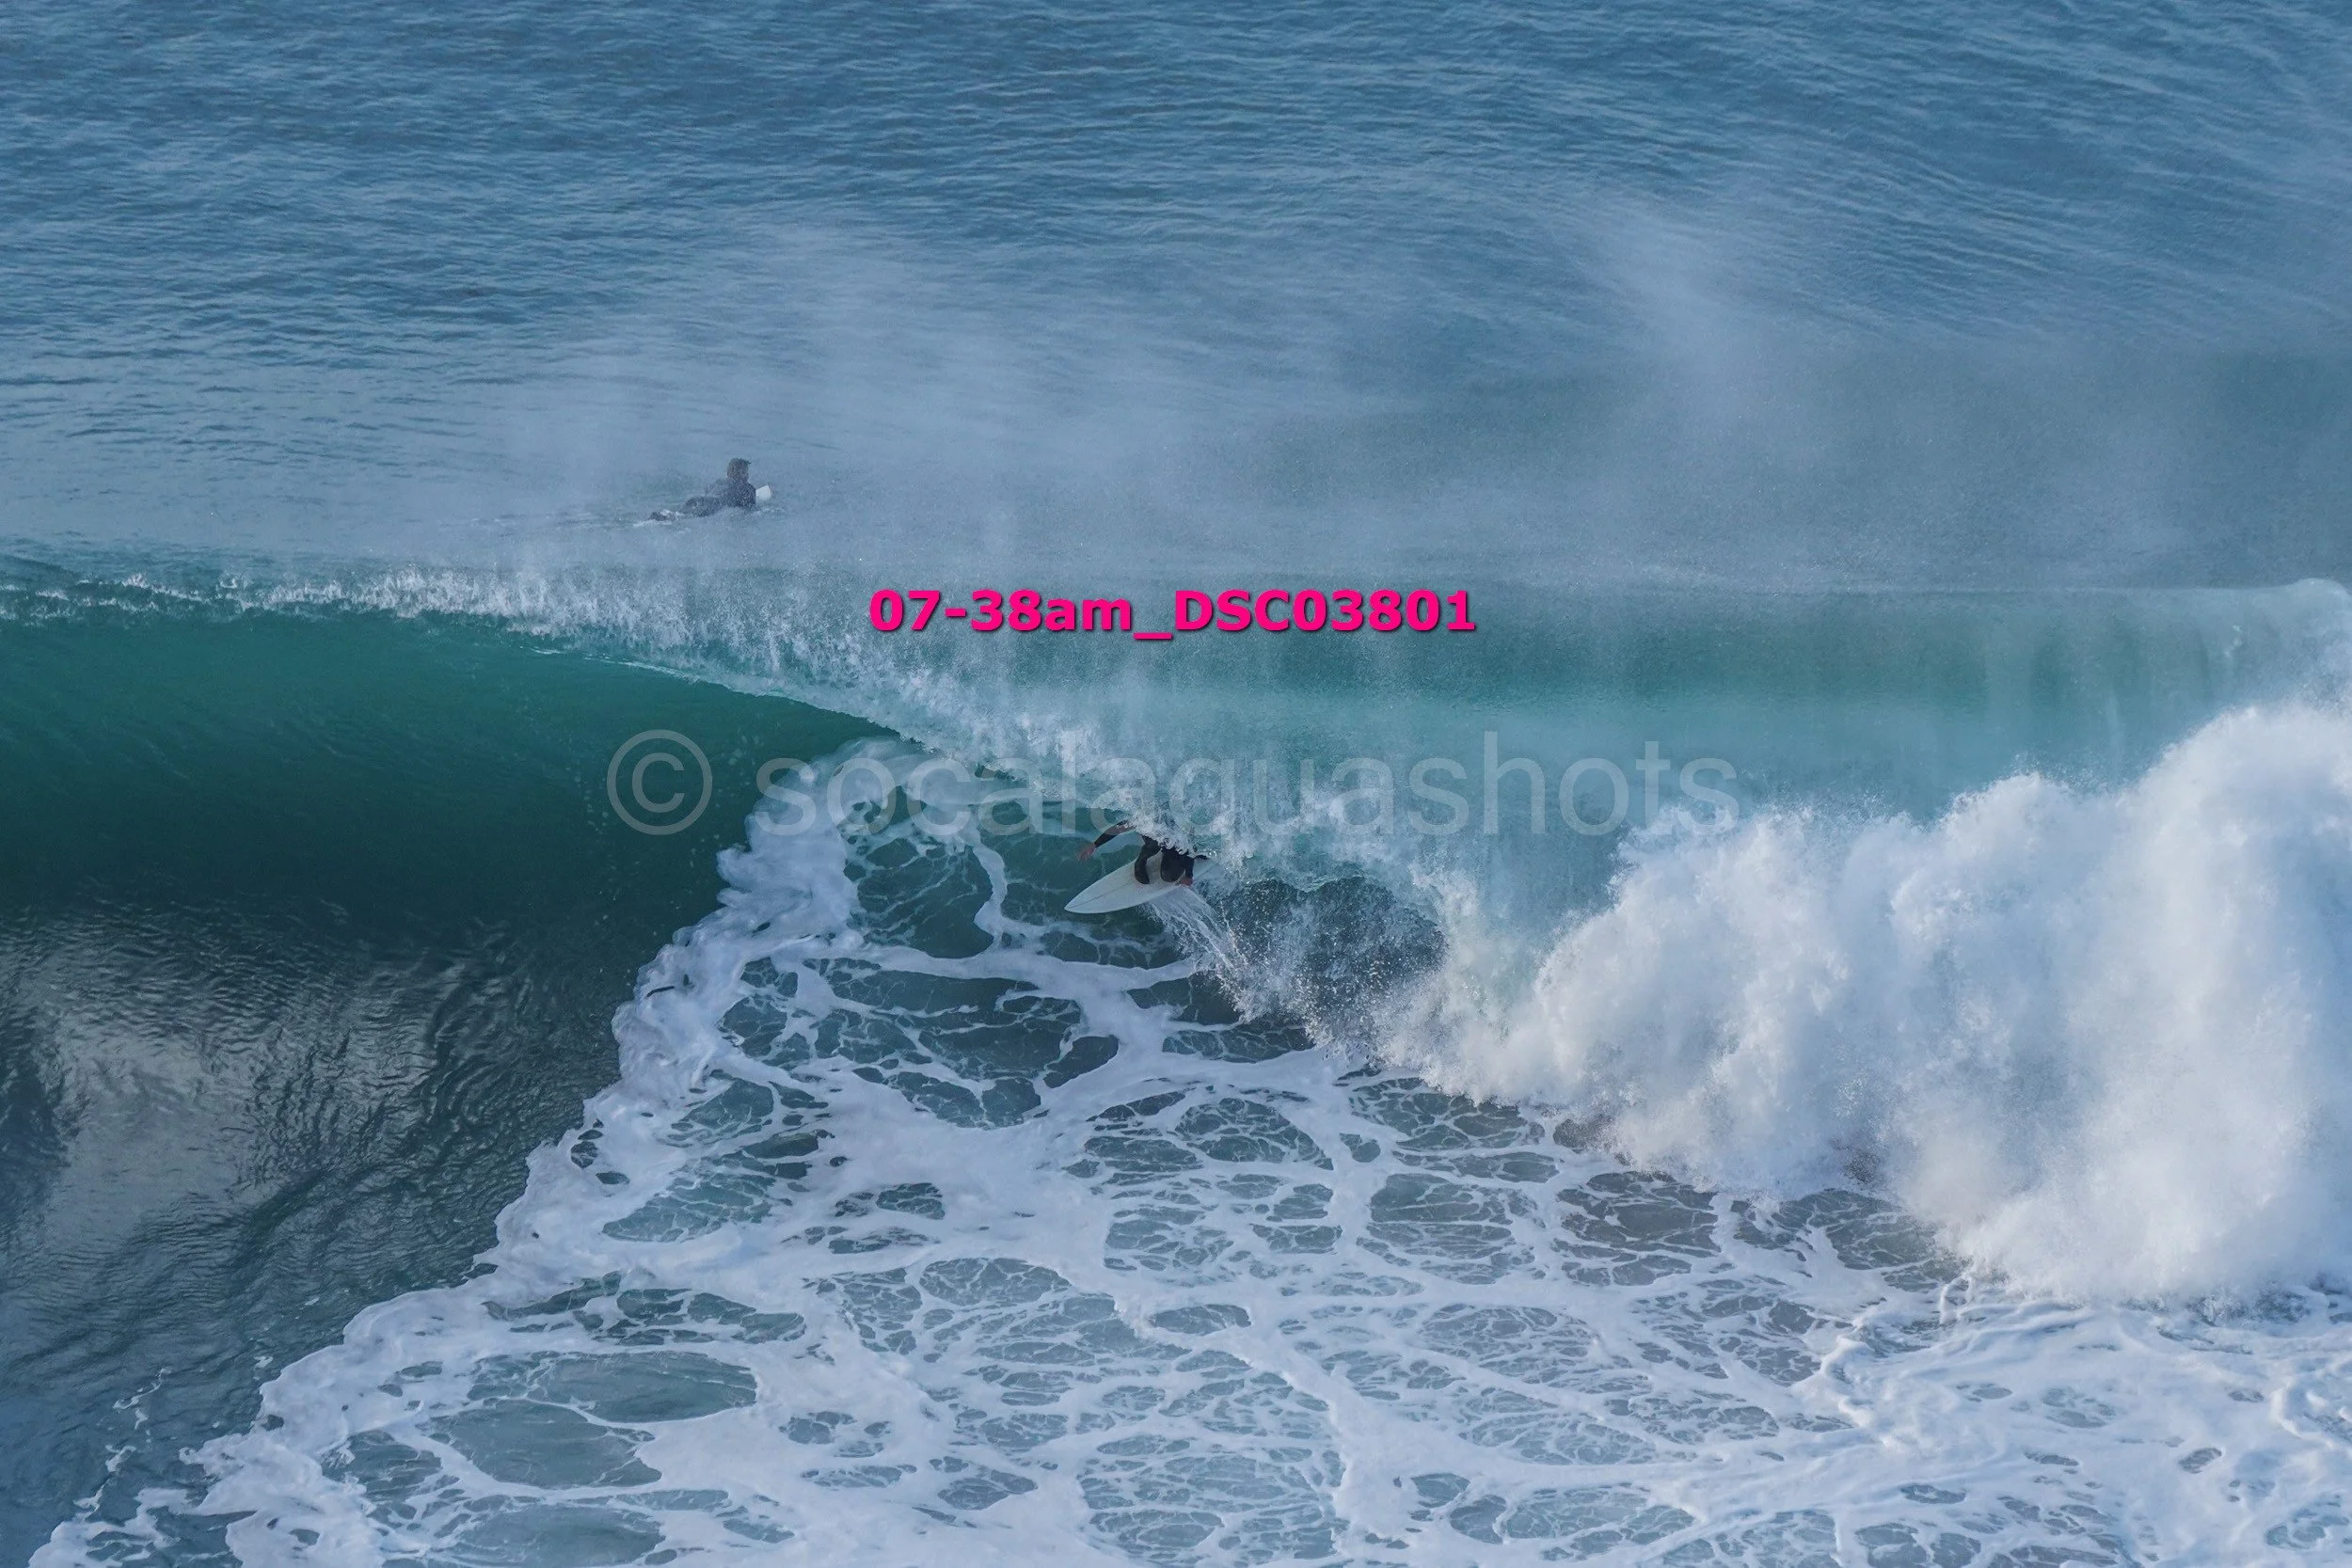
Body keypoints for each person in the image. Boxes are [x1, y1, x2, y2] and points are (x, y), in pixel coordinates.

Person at [1079, 821, 1195, 886]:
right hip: (1155, 842)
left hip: (1177, 843)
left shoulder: (1181, 820)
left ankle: (1170, 854)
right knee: (1154, 843)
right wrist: (1095, 845)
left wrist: (1189, 875)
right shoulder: (1145, 817)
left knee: (1169, 877)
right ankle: (1140, 861)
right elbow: (1118, 828)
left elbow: (1189, 845)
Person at [677, 458, 759, 517]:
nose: (747, 476)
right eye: (745, 473)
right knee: (690, 516)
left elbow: (707, 490)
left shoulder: (717, 482)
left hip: (699, 499)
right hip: (717, 506)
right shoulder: (747, 488)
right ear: (739, 473)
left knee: (681, 514)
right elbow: (751, 509)